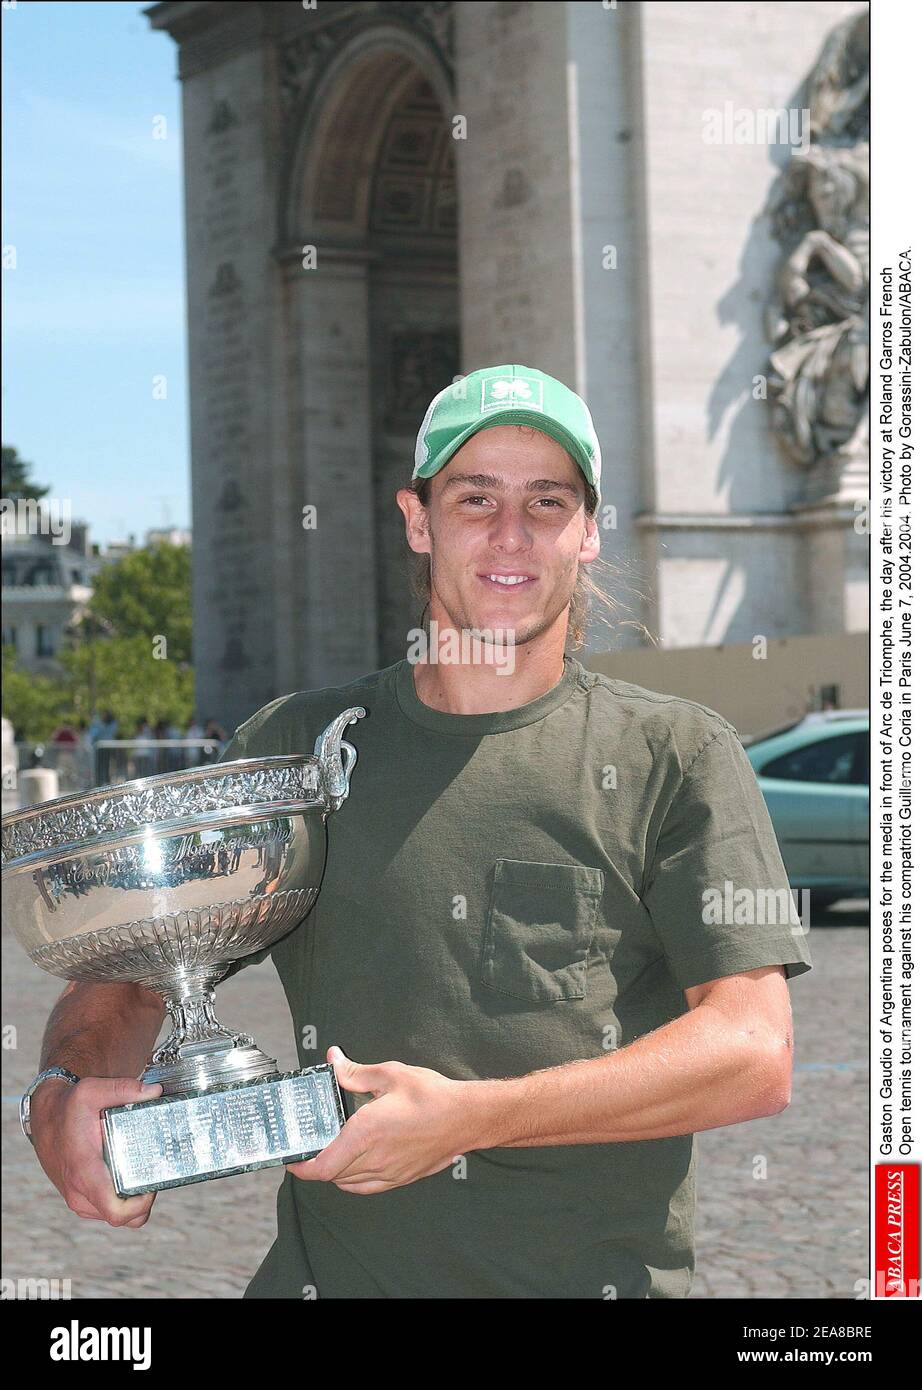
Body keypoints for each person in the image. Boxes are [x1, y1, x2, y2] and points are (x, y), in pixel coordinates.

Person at [21, 364, 811, 1299]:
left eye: (547, 503)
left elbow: (754, 1054)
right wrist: (58, 1097)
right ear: (418, 520)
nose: (510, 535)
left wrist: (473, 1118)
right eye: (476, 499)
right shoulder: (291, 750)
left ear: (589, 532)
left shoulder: (679, 753)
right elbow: (131, 976)